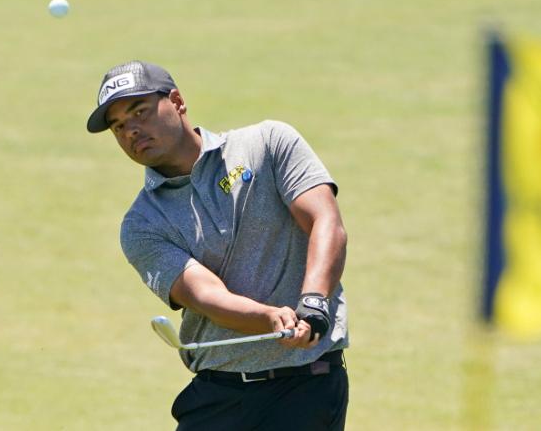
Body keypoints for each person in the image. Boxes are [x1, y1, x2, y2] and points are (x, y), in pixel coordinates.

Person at [86, 60, 350, 430]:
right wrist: (270, 317)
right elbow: (205, 294)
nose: (131, 130)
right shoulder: (141, 224)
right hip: (219, 397)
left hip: (308, 388)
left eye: (140, 112)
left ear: (176, 101)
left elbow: (326, 221)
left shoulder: (268, 143)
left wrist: (313, 301)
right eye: (118, 126)